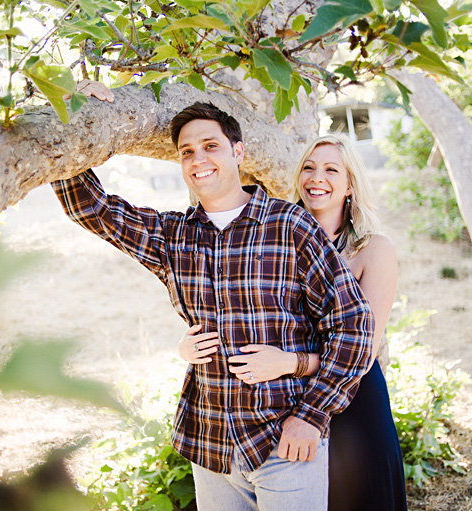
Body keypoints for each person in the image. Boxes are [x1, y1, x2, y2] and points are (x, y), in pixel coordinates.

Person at [51, 103, 374, 510]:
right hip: (212, 445)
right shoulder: (174, 236)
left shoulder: (289, 225)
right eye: (187, 151)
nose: (198, 159)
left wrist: (312, 416)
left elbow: (353, 323)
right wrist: (61, 118)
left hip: (284, 441)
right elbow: (92, 208)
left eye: (210, 145)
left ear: (237, 152)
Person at [180, 133, 407, 510]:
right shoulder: (276, 236)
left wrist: (288, 362)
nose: (317, 178)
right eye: (309, 168)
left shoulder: (372, 250)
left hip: (349, 401)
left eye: (332, 170)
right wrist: (188, 345)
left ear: (350, 185)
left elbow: (362, 352)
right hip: (283, 401)